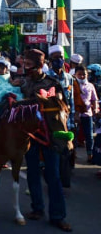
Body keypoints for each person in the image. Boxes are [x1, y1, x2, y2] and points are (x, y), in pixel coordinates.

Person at [17, 49, 72, 232]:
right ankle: (37, 208)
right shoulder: (22, 83)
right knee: (32, 171)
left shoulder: (52, 83)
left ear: (39, 65)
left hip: (51, 134)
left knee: (53, 176)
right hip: (31, 135)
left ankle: (58, 216)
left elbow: (64, 108)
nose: (26, 67)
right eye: (24, 64)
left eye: (29, 64)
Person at [46, 45, 75, 188]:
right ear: (50, 60)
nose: (59, 60)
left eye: (61, 58)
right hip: (54, 120)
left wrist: (74, 117)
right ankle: (53, 179)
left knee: (67, 151)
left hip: (67, 120)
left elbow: (72, 100)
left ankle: (64, 180)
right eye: (56, 58)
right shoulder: (47, 77)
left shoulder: (69, 77)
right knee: (54, 151)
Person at [73, 65, 98, 163]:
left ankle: (89, 155)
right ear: (75, 75)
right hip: (75, 115)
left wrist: (95, 109)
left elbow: (94, 99)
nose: (82, 76)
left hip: (87, 114)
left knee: (89, 136)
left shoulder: (90, 85)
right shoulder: (72, 85)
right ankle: (72, 154)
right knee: (74, 136)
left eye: (84, 74)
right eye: (80, 74)